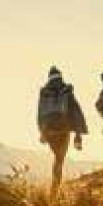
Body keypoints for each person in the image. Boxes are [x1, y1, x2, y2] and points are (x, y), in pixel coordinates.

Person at [36, 66, 88, 196]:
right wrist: (78, 135)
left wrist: (42, 132)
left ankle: (54, 189)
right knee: (59, 159)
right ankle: (54, 191)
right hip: (64, 131)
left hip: (49, 132)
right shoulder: (67, 91)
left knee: (57, 158)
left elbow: (40, 113)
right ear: (61, 76)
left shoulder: (44, 92)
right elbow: (76, 111)